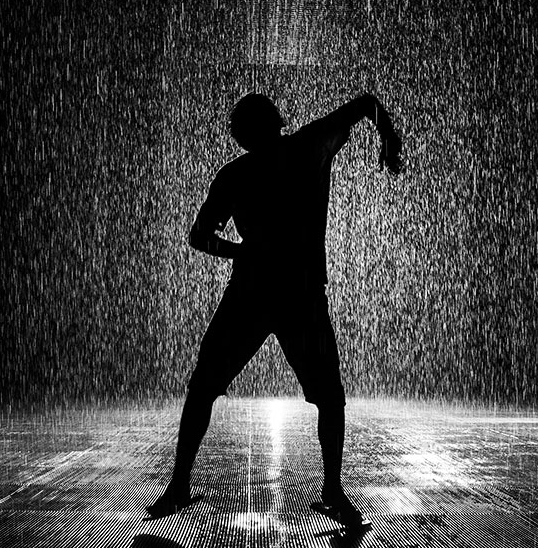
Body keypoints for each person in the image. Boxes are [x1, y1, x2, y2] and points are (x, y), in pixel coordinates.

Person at [147, 91, 403, 523]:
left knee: (204, 386)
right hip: (299, 291)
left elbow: (199, 237)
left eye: (237, 128)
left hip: (253, 289)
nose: (235, 134)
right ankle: (334, 491)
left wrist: (241, 254)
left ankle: (178, 486)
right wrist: (388, 137)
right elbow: (364, 103)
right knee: (329, 398)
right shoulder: (308, 147)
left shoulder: (237, 174)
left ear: (248, 132)